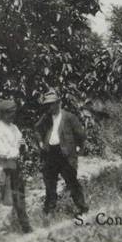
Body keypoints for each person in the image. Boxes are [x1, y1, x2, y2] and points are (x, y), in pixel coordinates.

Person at [34, 90, 89, 219]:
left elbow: (81, 135)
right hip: (50, 154)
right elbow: (37, 129)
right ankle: (49, 211)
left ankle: (82, 208)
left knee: (72, 182)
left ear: (59, 103)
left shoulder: (69, 117)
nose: (50, 107)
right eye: (48, 104)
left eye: (53, 104)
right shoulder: (46, 118)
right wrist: (41, 142)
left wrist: (78, 149)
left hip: (66, 155)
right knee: (50, 183)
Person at [0, 98, 32, 233]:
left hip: (14, 167)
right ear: (3, 114)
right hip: (2, 169)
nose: (13, 115)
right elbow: (3, 152)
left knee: (19, 196)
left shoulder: (14, 128)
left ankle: (25, 226)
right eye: (9, 113)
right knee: (5, 199)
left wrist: (24, 146)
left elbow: (21, 142)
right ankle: (3, 230)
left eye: (14, 112)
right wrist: (18, 151)